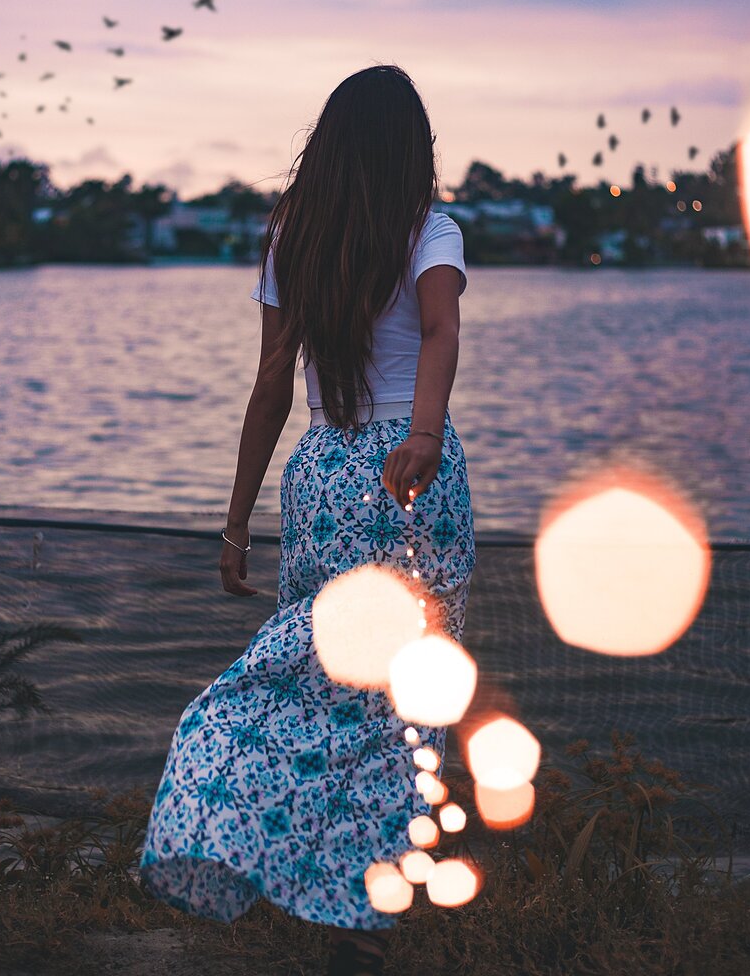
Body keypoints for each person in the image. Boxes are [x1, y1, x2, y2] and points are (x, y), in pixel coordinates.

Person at [138, 64, 476, 976]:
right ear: (414, 148)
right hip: (413, 475)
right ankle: (360, 904)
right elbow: (441, 332)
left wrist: (235, 524)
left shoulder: (296, 235)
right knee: (401, 701)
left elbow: (269, 386)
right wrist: (425, 435)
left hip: (324, 477)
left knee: (311, 682)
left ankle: (279, 856)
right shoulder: (429, 230)